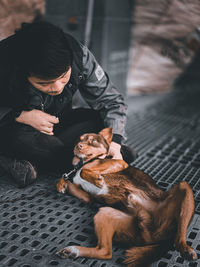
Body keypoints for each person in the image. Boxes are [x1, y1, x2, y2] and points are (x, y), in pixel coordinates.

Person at [0, 21, 136, 187]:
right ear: (22, 73)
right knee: (24, 140)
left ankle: (46, 160)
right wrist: (19, 115)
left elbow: (111, 101)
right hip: (13, 130)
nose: (57, 88)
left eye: (64, 77)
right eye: (44, 83)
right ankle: (88, 161)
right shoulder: (5, 62)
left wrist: (114, 142)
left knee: (100, 122)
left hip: (56, 122)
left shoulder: (78, 55)